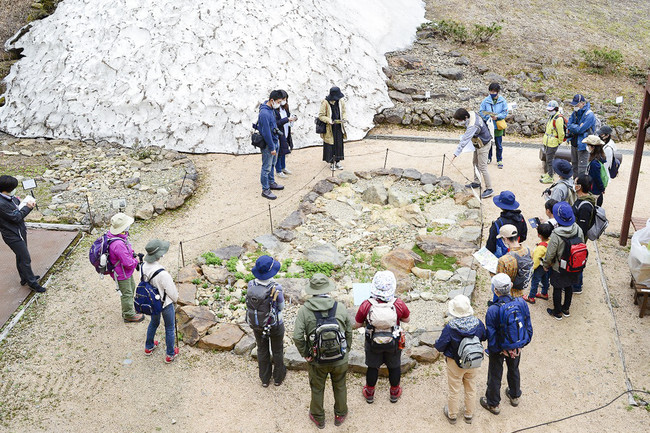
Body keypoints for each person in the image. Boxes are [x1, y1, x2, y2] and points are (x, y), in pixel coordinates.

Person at [293, 273, 352, 429]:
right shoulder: (340, 307)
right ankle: (340, 414)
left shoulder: (304, 311)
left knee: (317, 387)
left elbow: (297, 337)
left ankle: (318, 417)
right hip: (340, 359)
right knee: (340, 385)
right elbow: (349, 332)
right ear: (328, 289)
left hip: (317, 360)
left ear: (312, 290)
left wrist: (306, 354)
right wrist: (346, 351)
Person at [353, 270, 410, 405]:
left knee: (373, 367)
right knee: (394, 366)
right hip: (393, 341)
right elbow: (407, 319)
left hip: (373, 341)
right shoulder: (398, 304)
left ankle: (369, 392)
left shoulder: (367, 304)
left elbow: (357, 323)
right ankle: (394, 392)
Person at [480, 273, 533, 416]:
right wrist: (520, 345)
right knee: (514, 368)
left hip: (499, 349)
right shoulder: (521, 303)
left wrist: (497, 350)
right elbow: (527, 325)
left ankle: (493, 403)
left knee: (495, 374)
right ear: (510, 287)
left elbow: (491, 335)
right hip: (516, 345)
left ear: (495, 290)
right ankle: (515, 395)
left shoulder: (493, 310)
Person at [434, 295, 487, 425]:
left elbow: (440, 346)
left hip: (455, 362)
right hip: (473, 360)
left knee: (454, 388)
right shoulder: (477, 323)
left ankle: (452, 415)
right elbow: (484, 336)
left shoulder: (451, 327)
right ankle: (469, 414)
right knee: (471, 387)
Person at [0, 175, 45, 293]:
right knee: (25, 258)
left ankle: (24, 278)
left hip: (18, 231)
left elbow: (14, 206)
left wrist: (19, 201)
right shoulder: (1, 204)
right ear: (6, 189)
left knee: (20, 256)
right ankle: (32, 283)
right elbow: (16, 217)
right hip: (13, 235)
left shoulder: (7, 197)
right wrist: (28, 207)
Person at [247, 255, 286, 387]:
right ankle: (278, 378)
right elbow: (281, 307)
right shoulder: (276, 287)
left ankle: (264, 379)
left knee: (262, 349)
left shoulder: (251, 284)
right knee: (277, 350)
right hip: (275, 324)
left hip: (257, 323)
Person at [542, 201, 584, 320]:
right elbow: (582, 243)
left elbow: (550, 253)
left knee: (557, 288)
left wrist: (546, 264)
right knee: (569, 286)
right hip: (573, 264)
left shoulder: (556, 234)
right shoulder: (577, 229)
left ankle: (557, 311)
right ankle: (566, 308)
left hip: (559, 267)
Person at [142, 239, 179, 363]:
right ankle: (170, 354)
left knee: (154, 322)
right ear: (159, 255)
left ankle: (149, 346)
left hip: (152, 301)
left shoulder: (143, 266)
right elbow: (172, 293)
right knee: (169, 327)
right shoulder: (162, 273)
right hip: (165, 303)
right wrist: (176, 300)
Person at [107, 213, 144, 323]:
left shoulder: (120, 236)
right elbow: (127, 263)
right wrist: (136, 261)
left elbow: (128, 250)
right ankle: (128, 315)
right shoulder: (118, 244)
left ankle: (129, 309)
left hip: (125, 272)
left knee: (131, 287)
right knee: (126, 293)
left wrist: (133, 254)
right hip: (121, 273)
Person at [450, 108, 494, 199]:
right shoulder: (471, 113)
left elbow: (464, 140)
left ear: (466, 117)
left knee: (483, 167)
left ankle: (489, 189)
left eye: (460, 120)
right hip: (477, 143)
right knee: (475, 163)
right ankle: (477, 182)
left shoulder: (473, 126)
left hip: (484, 144)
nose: (459, 122)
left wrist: (455, 154)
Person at [571, 174, 597, 295]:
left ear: (580, 186)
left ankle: (577, 285)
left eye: (575, 183)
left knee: (577, 258)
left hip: (578, 238)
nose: (574, 184)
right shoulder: (582, 199)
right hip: (576, 235)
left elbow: (582, 227)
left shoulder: (585, 205)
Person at [258, 90, 285, 200]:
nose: (279, 104)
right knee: (266, 167)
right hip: (269, 144)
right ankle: (265, 189)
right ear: (271, 100)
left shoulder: (271, 110)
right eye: (278, 102)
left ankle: (271, 182)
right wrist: (272, 147)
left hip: (275, 140)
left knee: (272, 164)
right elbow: (266, 132)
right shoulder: (264, 113)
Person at [495, 225, 533, 299]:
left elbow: (500, 282)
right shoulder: (529, 251)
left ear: (505, 239)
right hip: (521, 290)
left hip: (509, 294)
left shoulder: (504, 260)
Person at [486, 191, 528, 258]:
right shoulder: (520, 218)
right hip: (516, 250)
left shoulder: (498, 223)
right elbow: (523, 236)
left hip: (502, 255)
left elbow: (491, 244)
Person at [479, 82, 508, 168]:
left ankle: (499, 160)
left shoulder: (502, 101)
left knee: (499, 144)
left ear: (497, 92)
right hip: (489, 126)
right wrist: (488, 117)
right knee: (489, 143)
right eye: (491, 91)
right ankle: (489, 158)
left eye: (494, 92)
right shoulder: (486, 101)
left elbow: (505, 112)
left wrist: (497, 117)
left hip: (498, 126)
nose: (492, 93)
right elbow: (481, 111)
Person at [522, 222, 553, 304]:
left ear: (539, 235)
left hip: (539, 267)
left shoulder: (540, 248)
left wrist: (532, 269)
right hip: (547, 265)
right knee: (545, 279)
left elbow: (535, 260)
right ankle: (544, 293)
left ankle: (531, 297)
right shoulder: (550, 242)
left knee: (535, 282)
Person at [566, 94, 596, 177]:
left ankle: (581, 187)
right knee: (574, 166)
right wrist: (577, 126)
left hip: (583, 145)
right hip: (574, 143)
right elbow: (569, 124)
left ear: (582, 103)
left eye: (576, 104)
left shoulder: (589, 115)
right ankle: (575, 186)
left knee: (582, 169)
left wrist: (575, 127)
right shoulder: (575, 113)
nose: (575, 106)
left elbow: (580, 130)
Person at [319, 87, 347, 170]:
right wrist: (329, 120)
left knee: (339, 144)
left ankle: (338, 161)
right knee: (330, 145)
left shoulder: (341, 101)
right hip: (329, 127)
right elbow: (321, 115)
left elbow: (344, 111)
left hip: (338, 126)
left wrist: (344, 118)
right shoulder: (325, 102)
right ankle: (331, 163)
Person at [540, 100, 566, 184]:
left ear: (555, 109)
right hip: (548, 141)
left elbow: (561, 133)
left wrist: (559, 142)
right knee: (548, 159)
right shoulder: (552, 117)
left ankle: (550, 176)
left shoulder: (558, 118)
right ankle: (549, 173)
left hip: (553, 142)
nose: (549, 111)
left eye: (551, 110)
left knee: (550, 160)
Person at [274, 90, 297, 178]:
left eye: (285, 99)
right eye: (283, 99)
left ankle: (283, 167)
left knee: (284, 150)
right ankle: (278, 170)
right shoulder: (275, 110)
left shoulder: (285, 108)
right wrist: (287, 119)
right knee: (279, 152)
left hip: (286, 131)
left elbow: (288, 116)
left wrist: (293, 119)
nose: (284, 101)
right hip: (279, 133)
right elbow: (276, 123)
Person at [583, 135, 607, 206]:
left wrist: (601, 188)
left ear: (593, 147)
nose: (587, 147)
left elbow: (597, 177)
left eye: (588, 145)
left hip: (594, 191)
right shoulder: (599, 159)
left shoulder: (594, 163)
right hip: (597, 190)